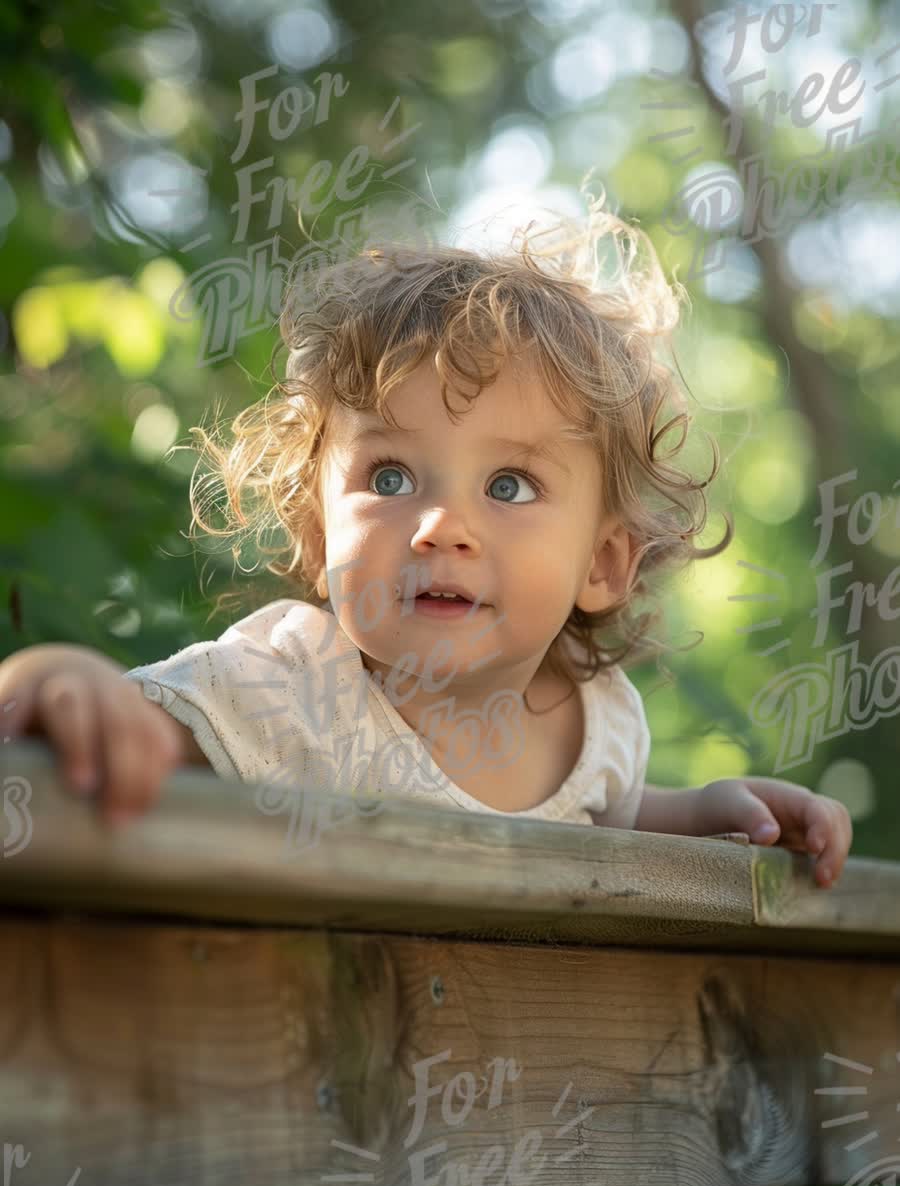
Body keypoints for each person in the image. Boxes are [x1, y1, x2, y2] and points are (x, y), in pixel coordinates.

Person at [0, 193, 852, 886]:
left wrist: (702, 812)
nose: (441, 526)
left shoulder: (598, 723)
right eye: (391, 479)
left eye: (510, 485)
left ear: (602, 563)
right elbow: (127, 729)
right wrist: (52, 677)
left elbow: (610, 817)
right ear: (315, 528)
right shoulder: (288, 691)